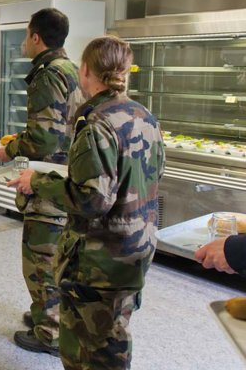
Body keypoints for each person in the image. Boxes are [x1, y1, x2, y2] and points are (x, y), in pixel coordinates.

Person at [9, 35, 165, 370]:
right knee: (113, 335)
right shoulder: (145, 116)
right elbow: (153, 175)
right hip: (137, 247)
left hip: (100, 258)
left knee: (87, 349)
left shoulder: (97, 123)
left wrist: (37, 182)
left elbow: (91, 199)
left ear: (85, 70)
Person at [0, 7, 82, 356]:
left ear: (35, 36)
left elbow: (44, 140)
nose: (23, 45)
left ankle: (50, 332)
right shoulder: (71, 69)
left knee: (40, 257)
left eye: (26, 37)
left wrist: (9, 148)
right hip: (68, 177)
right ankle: (47, 313)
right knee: (60, 254)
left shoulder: (46, 75)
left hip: (47, 180)